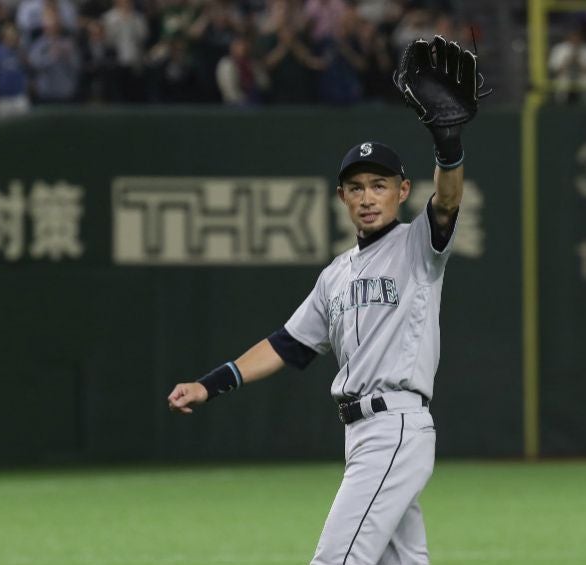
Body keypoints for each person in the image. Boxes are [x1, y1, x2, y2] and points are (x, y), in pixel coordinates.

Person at [168, 35, 482, 565]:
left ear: (401, 191)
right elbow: (288, 345)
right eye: (355, 187)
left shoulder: (418, 247)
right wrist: (209, 384)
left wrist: (448, 144)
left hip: (396, 427)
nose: (366, 196)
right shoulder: (335, 275)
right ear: (341, 197)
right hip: (361, 435)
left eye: (378, 185)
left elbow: (448, 201)